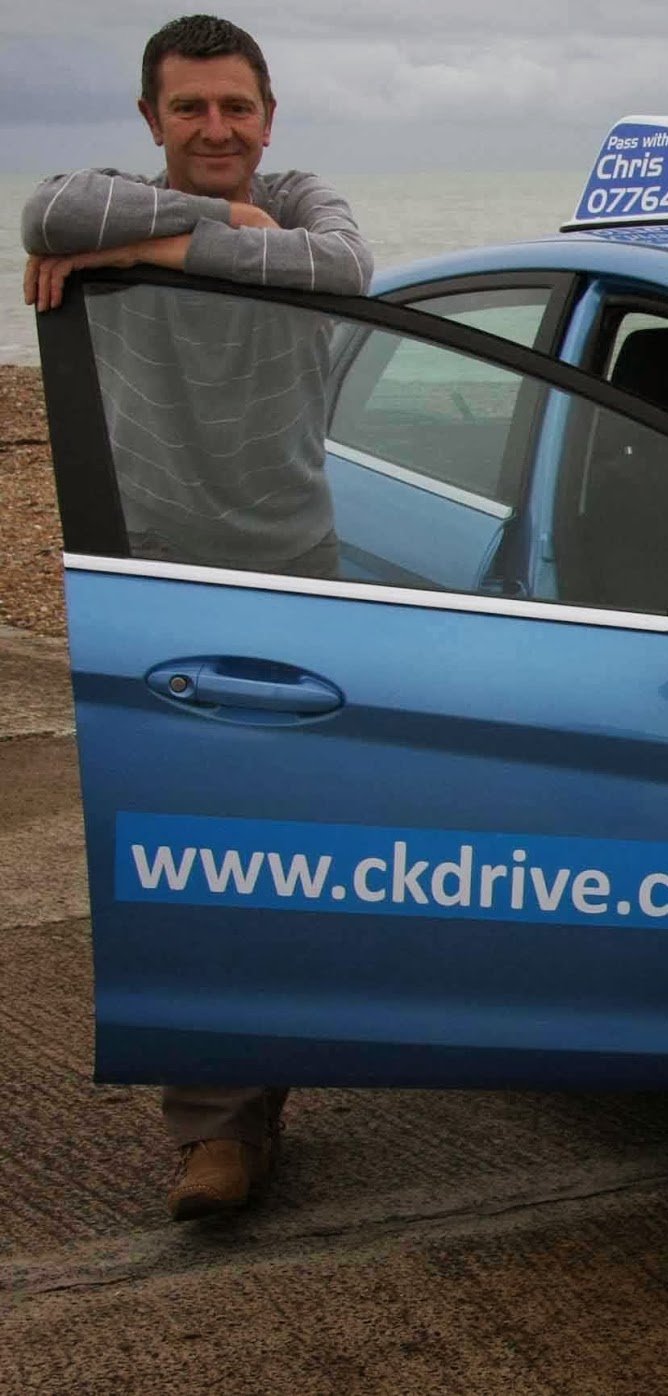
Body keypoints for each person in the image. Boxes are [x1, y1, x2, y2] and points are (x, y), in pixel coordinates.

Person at [20, 13, 374, 1222]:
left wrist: (152, 250)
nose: (216, 128)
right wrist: (219, 232)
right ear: (150, 118)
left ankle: (266, 1077)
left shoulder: (305, 201)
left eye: (236, 107)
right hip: (156, 578)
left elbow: (345, 269)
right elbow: (47, 213)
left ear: (269, 116)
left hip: (297, 575)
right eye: (190, 108)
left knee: (291, 856)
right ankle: (215, 1128)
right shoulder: (111, 196)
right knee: (183, 858)